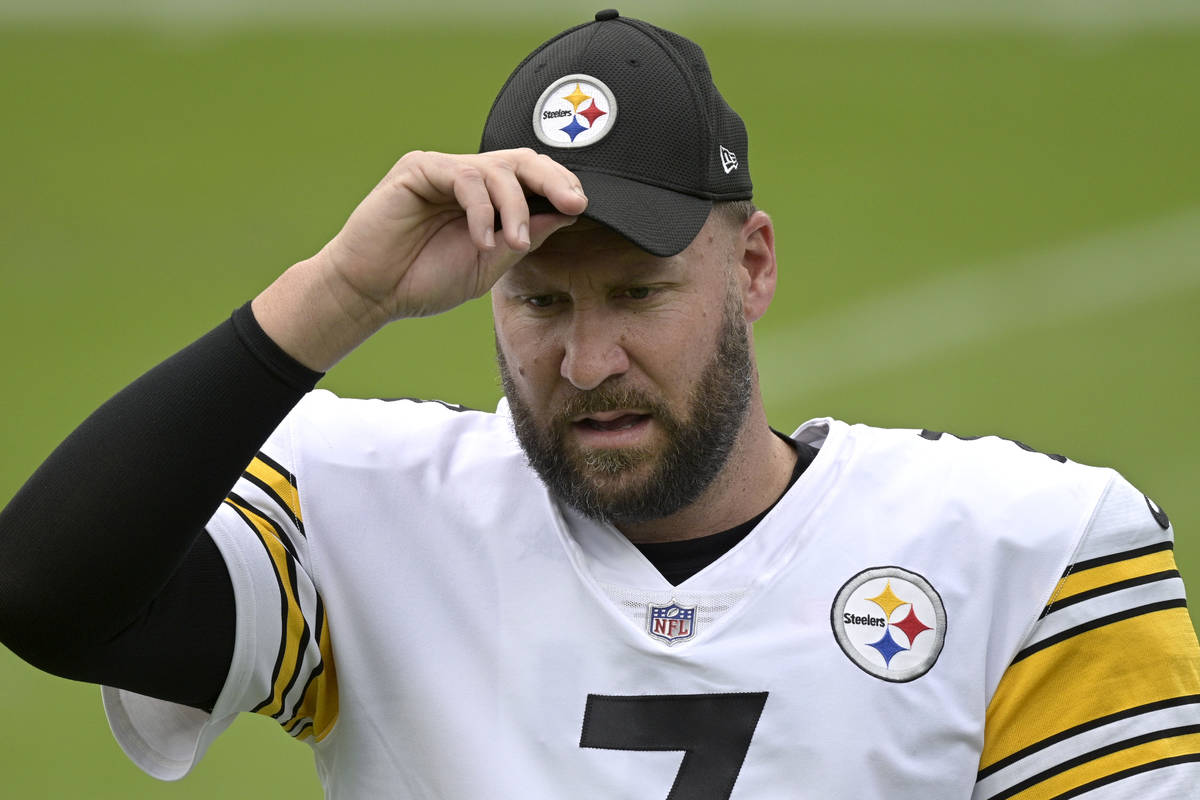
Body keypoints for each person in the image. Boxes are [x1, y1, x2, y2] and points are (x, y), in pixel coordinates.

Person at [1, 9, 1198, 799]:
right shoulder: (362, 511)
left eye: (639, 292)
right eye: (539, 302)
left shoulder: (1033, 553)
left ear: (755, 264)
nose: (586, 361)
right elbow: (45, 593)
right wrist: (336, 294)